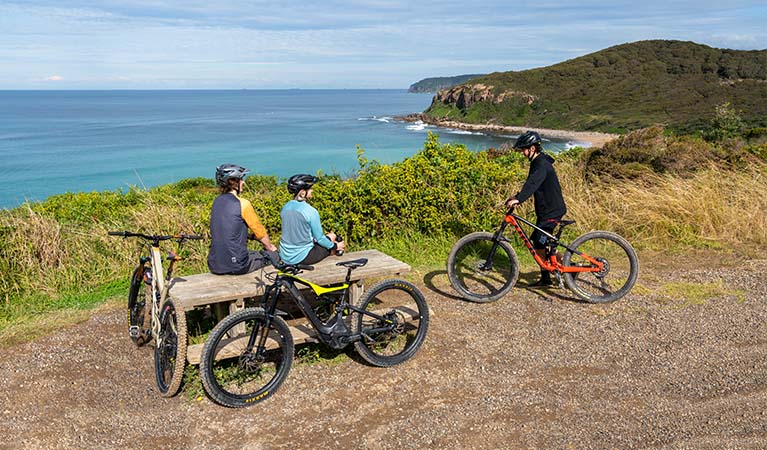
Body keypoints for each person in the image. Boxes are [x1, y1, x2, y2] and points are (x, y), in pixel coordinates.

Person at [505, 131, 567, 287]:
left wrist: (519, 199)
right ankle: (546, 277)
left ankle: (571, 266)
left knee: (540, 241)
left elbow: (533, 184)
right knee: (540, 242)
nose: (521, 153)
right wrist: (517, 196)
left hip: (552, 211)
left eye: (523, 149)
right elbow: (531, 183)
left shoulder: (541, 164)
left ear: (532, 148)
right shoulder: (538, 162)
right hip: (546, 210)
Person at [208, 164, 278, 275]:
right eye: (241, 180)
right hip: (237, 265)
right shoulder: (243, 203)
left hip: (214, 264)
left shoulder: (216, 202)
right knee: (274, 256)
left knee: (254, 254)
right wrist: (270, 247)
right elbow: (261, 233)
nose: (243, 183)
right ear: (234, 183)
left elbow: (227, 230)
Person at [279, 174, 345, 265]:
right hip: (302, 257)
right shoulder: (310, 211)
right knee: (332, 237)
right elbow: (320, 239)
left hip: (285, 255)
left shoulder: (285, 207)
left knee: (329, 238)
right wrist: (336, 246)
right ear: (302, 193)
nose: (312, 190)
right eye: (310, 189)